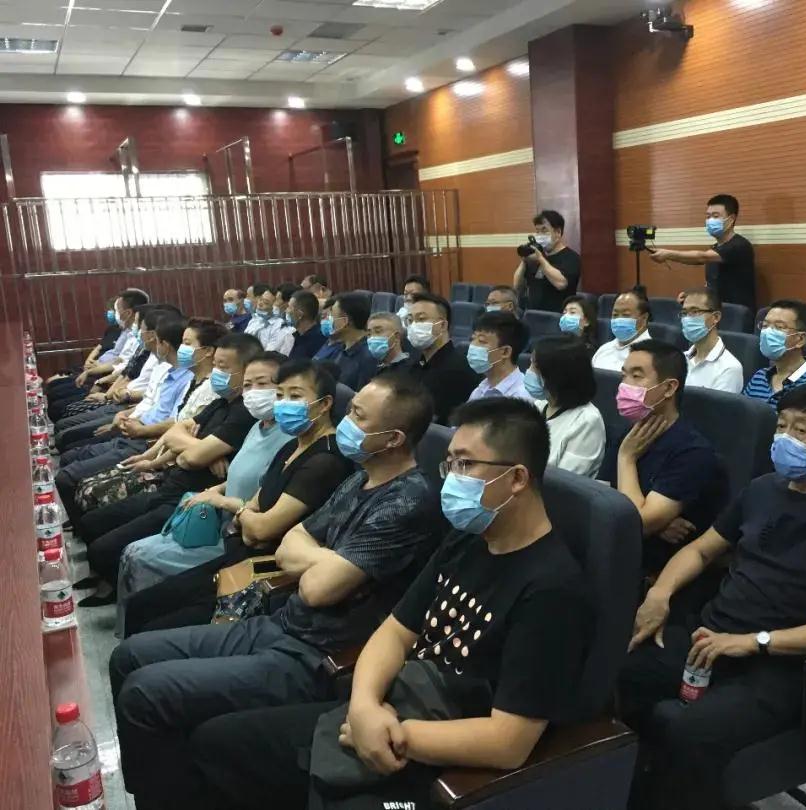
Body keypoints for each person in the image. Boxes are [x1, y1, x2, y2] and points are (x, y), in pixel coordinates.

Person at [186, 397, 590, 810]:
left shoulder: (552, 590)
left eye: (465, 465)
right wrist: (364, 706)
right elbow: (395, 633)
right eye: (449, 464)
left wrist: (392, 733)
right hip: (392, 709)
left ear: (517, 478)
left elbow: (509, 742)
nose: (452, 480)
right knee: (219, 743)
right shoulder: (466, 541)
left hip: (442, 755)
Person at [108, 372, 444, 810]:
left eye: (358, 416)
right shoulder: (358, 480)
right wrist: (325, 560)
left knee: (146, 693)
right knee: (129, 656)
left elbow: (320, 588)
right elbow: (290, 543)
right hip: (281, 620)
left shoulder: (408, 501)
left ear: (394, 438)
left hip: (319, 653)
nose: (346, 421)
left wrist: (317, 563)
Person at [618, 383, 806, 809]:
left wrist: (754, 642)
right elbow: (700, 550)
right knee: (617, 671)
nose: (784, 439)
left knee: (690, 730)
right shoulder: (763, 489)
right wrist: (660, 594)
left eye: (800, 431)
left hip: (781, 664)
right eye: (781, 426)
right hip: (710, 636)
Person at [116, 356, 354, 637]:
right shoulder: (293, 446)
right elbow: (255, 507)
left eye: (295, 396)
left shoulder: (325, 461)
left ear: (325, 404)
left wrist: (242, 514)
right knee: (142, 605)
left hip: (263, 571)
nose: (283, 404)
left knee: (153, 625)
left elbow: (263, 530)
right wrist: (248, 517)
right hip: (238, 549)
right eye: (280, 395)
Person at [76, 333, 263, 606]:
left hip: (189, 499)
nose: (216, 373)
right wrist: (200, 448)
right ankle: (107, 579)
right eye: (216, 365)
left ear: (245, 371)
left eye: (223, 367)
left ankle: (115, 589)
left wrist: (196, 449)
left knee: (105, 546)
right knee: (93, 522)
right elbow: (176, 431)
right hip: (169, 481)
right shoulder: (221, 402)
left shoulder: (245, 413)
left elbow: (192, 456)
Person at [53, 316, 198, 506]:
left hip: (145, 438)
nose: (143, 335)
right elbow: (148, 401)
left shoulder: (188, 378)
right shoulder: (167, 370)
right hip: (132, 423)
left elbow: (175, 422)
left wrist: (139, 428)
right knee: (69, 448)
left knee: (70, 473)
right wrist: (125, 415)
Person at [615, 339, 726, 573]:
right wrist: (660, 523)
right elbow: (601, 495)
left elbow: (637, 524)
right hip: (615, 551)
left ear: (668, 388)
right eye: (624, 375)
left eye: (636, 376)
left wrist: (626, 459)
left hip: (652, 571)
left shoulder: (692, 452)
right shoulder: (630, 432)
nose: (625, 385)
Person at [48, 289, 149, 421]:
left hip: (116, 392)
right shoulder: (130, 335)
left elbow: (123, 370)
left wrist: (103, 387)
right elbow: (123, 367)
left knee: (62, 410)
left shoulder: (142, 345)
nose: (114, 314)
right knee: (55, 392)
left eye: (116, 310)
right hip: (109, 384)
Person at [648, 193, 756, 310]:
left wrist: (668, 254)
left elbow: (701, 257)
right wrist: (693, 296)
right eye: (708, 216)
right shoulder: (715, 248)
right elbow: (711, 285)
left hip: (736, 313)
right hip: (716, 311)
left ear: (731, 219)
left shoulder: (739, 245)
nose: (710, 220)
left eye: (715, 216)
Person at [527, 335, 605, 477]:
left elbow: (564, 481)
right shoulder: (539, 405)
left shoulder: (587, 421)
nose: (529, 371)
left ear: (557, 375)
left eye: (535, 367)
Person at [744, 299, 806, 408]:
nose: (767, 332)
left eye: (779, 327)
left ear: (800, 339)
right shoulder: (759, 377)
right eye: (765, 325)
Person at [406, 292, 479, 424]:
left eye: (421, 319)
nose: (413, 326)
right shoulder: (415, 365)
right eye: (410, 321)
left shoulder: (457, 370)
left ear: (443, 326)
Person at [512, 210, 581, 312]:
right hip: (533, 314)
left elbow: (561, 284)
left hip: (556, 315)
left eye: (544, 231)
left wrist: (541, 259)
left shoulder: (571, 257)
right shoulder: (535, 257)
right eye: (537, 231)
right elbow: (517, 286)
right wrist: (524, 261)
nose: (540, 235)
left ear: (558, 232)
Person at [680, 287, 743, 393]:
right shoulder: (680, 359)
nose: (687, 319)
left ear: (716, 317)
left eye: (695, 311)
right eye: (684, 313)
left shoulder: (729, 368)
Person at [314, 291, 378, 391]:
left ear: (345, 321)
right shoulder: (340, 349)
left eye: (332, 315)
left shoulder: (368, 357)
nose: (328, 319)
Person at [466, 310, 531, 402]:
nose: (473, 345)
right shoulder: (480, 391)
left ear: (505, 352)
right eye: (472, 339)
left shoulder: (522, 397)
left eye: (481, 341)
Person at [592, 287, 653, 373]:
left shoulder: (651, 356)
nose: (619, 320)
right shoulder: (603, 350)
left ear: (644, 318)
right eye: (615, 315)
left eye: (626, 315)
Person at [283, 289, 328, 360]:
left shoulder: (318, 340)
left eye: (289, 308)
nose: (286, 311)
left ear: (300, 314)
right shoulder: (299, 336)